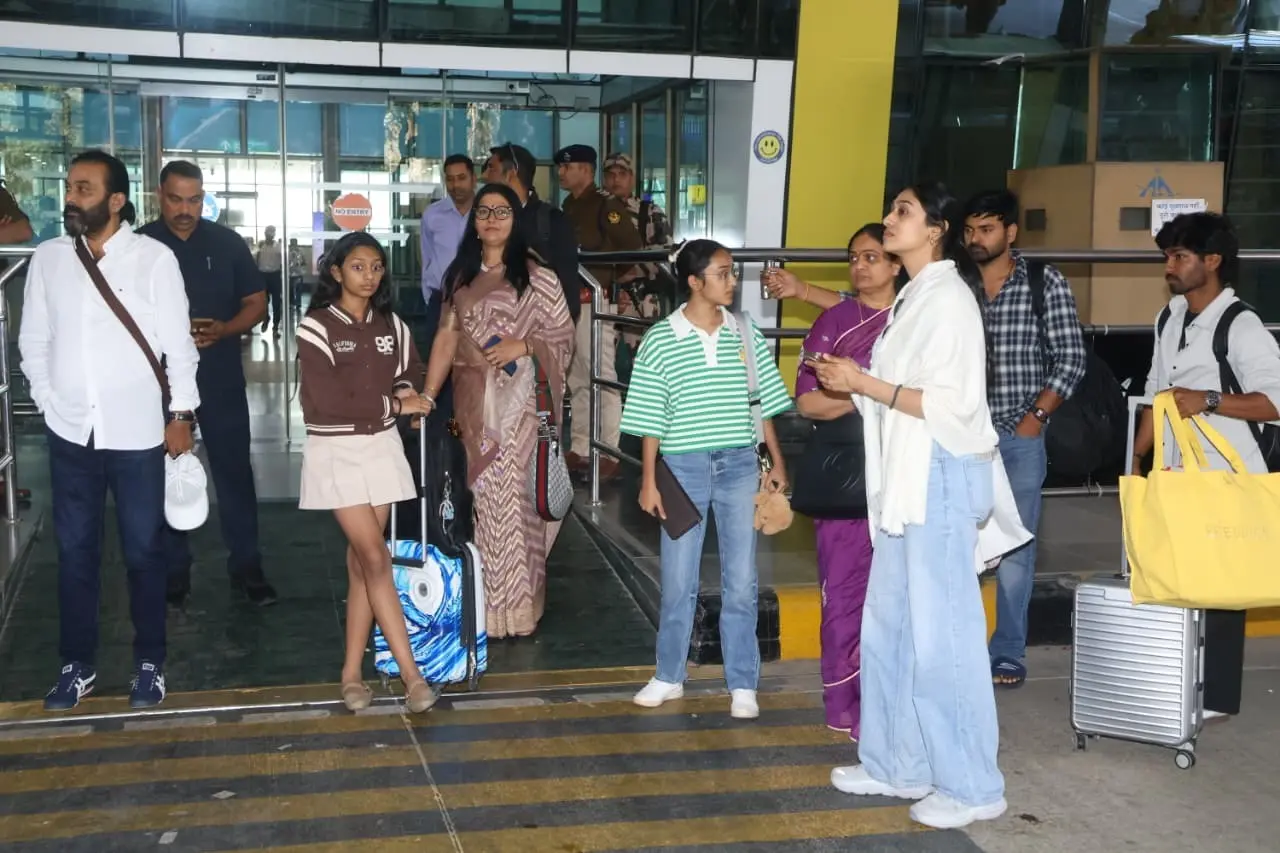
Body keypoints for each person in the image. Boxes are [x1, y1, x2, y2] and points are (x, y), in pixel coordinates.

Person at [809, 181, 1028, 829]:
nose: (888, 220)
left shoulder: (949, 301)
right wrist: (853, 382)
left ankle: (971, 783)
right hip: (906, 480)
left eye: (902, 212)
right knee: (891, 630)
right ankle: (896, 760)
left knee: (944, 638)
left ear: (937, 229)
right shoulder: (916, 298)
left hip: (939, 472)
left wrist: (859, 381)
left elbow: (948, 404)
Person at [19, 149, 201, 711]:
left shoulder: (154, 260)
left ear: (116, 200)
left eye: (84, 189)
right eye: (70, 187)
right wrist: (51, 404)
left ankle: (150, 663)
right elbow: (34, 341)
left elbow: (179, 345)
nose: (71, 198)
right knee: (74, 553)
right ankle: (77, 666)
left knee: (144, 552)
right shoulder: (49, 259)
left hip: (139, 434)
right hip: (72, 434)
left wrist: (181, 414)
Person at [621, 239, 791, 720]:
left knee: (741, 580)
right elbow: (651, 417)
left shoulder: (745, 333)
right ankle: (669, 675)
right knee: (679, 579)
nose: (732, 281)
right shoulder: (661, 339)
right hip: (683, 468)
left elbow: (763, 407)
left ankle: (742, 681)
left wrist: (774, 462)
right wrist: (649, 479)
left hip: (739, 463)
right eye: (723, 273)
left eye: (732, 272)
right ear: (694, 282)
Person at [1131, 211, 1278, 721]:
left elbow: (1276, 401)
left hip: (1229, 472)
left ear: (1212, 262)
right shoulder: (1170, 316)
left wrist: (1210, 399)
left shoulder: (1241, 325)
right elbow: (1156, 391)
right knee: (1177, 574)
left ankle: (1214, 697)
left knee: (1221, 584)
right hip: (1177, 469)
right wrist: (1136, 459)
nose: (1169, 267)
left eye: (1180, 257)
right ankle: (1179, 684)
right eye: (1167, 257)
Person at [419, 182, 574, 638]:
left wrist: (523, 344)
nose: (490, 219)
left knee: (515, 500)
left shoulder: (538, 277)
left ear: (516, 219)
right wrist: (429, 396)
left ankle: (520, 612)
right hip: (469, 403)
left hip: (521, 405)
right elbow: (446, 338)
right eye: (483, 211)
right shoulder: (459, 277)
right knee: (481, 498)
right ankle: (486, 608)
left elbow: (563, 337)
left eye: (501, 211)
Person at [296, 231, 436, 714]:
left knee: (361, 565)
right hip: (336, 451)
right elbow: (326, 402)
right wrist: (395, 404)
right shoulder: (315, 327)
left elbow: (409, 371)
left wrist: (403, 394)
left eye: (376, 266)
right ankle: (412, 677)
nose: (370, 276)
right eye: (358, 266)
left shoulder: (391, 325)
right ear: (336, 272)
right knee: (376, 559)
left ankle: (351, 675)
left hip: (381, 448)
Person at [138, 160, 277, 608]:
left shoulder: (226, 241)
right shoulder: (139, 245)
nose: (185, 209)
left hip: (219, 378)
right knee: (167, 473)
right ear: (159, 195)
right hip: (156, 386)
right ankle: (174, 571)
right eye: (176, 198)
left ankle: (247, 566)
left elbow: (257, 301)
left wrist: (226, 328)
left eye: (194, 200)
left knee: (234, 473)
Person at [964, 190, 1086, 688]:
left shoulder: (1042, 281)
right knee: (960, 545)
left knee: (1016, 547)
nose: (976, 240)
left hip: (1018, 436)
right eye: (970, 231)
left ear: (1011, 233)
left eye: (987, 230)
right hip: (962, 436)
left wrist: (1036, 417)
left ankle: (1008, 650)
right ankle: (962, 647)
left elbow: (1072, 357)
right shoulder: (956, 285)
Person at [793, 224, 901, 740]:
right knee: (844, 595)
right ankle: (846, 705)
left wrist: (868, 391)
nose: (860, 266)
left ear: (898, 263)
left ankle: (893, 702)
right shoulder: (835, 321)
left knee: (900, 597)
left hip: (906, 471)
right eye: (854, 257)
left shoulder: (916, 319)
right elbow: (808, 401)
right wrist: (869, 396)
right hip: (849, 478)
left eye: (873, 257)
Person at [557, 143, 644, 480]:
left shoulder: (605, 206)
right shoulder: (569, 205)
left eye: (569, 167)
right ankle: (581, 447)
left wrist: (611, 279)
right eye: (561, 168)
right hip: (571, 301)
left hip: (595, 300)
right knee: (578, 377)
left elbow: (632, 246)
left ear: (586, 170)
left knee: (603, 375)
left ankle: (610, 450)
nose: (563, 172)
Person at [482, 143, 580, 321]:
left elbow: (568, 290)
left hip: (538, 332)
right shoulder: (484, 222)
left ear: (512, 173)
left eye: (491, 168)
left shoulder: (551, 221)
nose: (485, 176)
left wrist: (555, 340)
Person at [419, 153, 476, 420]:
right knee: (439, 371)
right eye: (450, 179)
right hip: (441, 302)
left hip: (479, 303)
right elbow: (427, 258)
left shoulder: (487, 213)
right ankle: (444, 433)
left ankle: (469, 430)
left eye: (462, 178)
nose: (456, 185)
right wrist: (431, 298)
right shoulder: (433, 215)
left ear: (473, 178)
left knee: (473, 370)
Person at [255, 225, 284, 337]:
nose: (269, 234)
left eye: (271, 232)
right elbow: (256, 259)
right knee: (263, 302)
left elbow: (284, 260)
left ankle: (275, 327)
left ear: (274, 234)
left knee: (276, 302)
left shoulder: (278, 247)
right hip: (262, 276)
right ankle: (265, 318)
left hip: (275, 276)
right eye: (267, 232)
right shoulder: (260, 246)